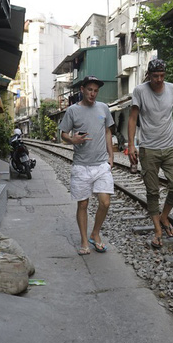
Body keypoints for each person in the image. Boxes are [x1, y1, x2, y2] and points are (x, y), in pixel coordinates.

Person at [127, 59, 173, 249]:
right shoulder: (140, 91)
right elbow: (133, 118)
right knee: (152, 192)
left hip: (169, 146)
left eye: (162, 76)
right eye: (155, 76)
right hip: (148, 149)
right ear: (149, 75)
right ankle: (158, 231)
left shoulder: (172, 89)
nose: (159, 79)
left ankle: (164, 216)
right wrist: (131, 145)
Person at [58, 75, 114, 256]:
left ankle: (95, 233)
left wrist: (111, 156)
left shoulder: (104, 108)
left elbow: (107, 131)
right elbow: (63, 135)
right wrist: (73, 139)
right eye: (90, 89)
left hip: (101, 164)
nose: (93, 93)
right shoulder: (72, 111)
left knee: (105, 202)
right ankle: (84, 240)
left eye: (96, 90)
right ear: (82, 89)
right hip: (81, 166)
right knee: (83, 204)